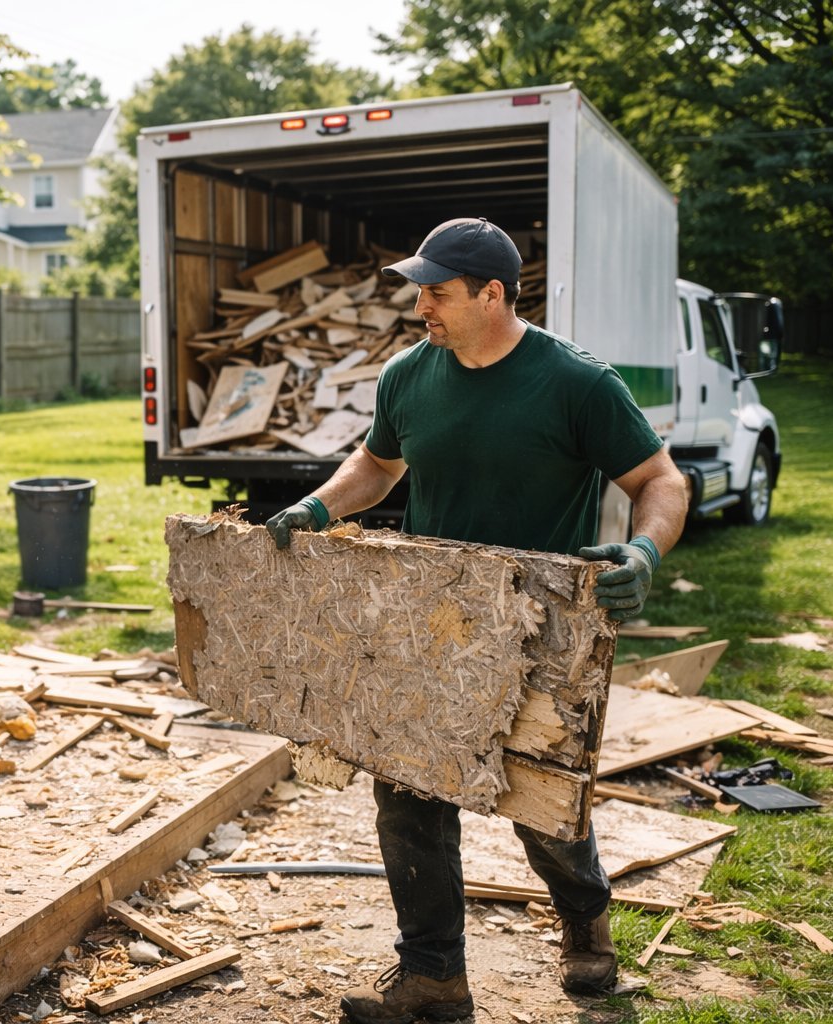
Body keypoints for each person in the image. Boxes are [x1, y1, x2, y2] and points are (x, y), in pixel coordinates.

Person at [264, 217, 688, 1023]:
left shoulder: (577, 383)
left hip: (541, 631)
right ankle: (434, 981)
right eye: (419, 290)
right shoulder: (408, 375)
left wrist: (643, 553)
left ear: (492, 294)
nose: (420, 305)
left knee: (543, 808)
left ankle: (589, 935)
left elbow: (660, 479)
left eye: (437, 292)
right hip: (431, 623)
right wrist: (317, 505)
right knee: (409, 800)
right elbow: (379, 464)